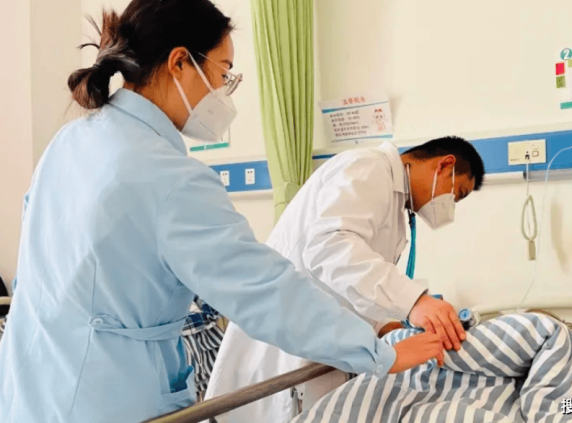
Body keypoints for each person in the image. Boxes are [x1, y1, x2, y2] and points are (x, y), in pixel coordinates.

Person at [0, 1, 444, 422]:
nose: (222, 91)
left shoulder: (69, 141)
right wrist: (375, 351)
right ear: (179, 63)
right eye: (223, 73)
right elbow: (264, 290)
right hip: (105, 397)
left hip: (29, 386)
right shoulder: (169, 176)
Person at [206, 136, 486, 422]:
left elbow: (354, 281)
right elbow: (329, 247)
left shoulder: (394, 205)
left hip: (326, 341)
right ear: (444, 165)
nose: (450, 206)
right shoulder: (369, 169)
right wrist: (415, 301)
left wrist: (383, 327)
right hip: (288, 342)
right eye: (456, 194)